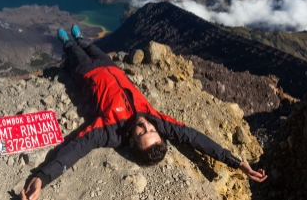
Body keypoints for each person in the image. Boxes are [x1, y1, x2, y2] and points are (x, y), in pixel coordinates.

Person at [21, 25, 267, 200]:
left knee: (73, 51)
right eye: (152, 130)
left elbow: (76, 148)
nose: (145, 124)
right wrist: (237, 163)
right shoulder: (157, 121)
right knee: (90, 46)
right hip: (111, 67)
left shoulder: (109, 130)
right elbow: (196, 139)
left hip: (86, 73)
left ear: (131, 141)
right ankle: (81, 37)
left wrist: (43, 176)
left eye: (141, 131)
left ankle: (67, 41)